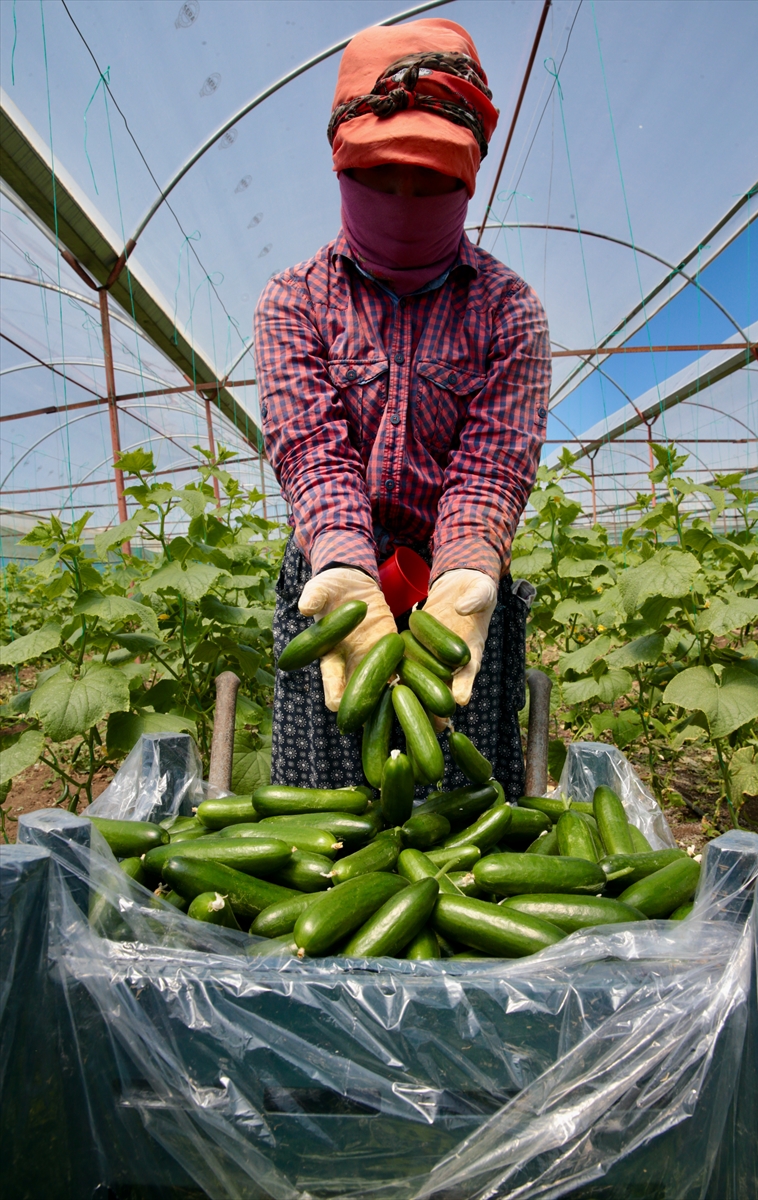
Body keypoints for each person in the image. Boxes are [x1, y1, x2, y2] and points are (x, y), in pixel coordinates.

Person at [254, 18, 551, 797]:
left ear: (470, 177)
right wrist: (347, 567)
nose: (407, 196)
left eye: (432, 179)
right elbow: (311, 448)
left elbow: (492, 465)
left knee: (455, 807)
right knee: (329, 816)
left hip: (456, 595)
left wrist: (466, 577)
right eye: (384, 176)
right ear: (343, 166)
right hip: (334, 585)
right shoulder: (294, 301)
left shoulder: (510, 310)